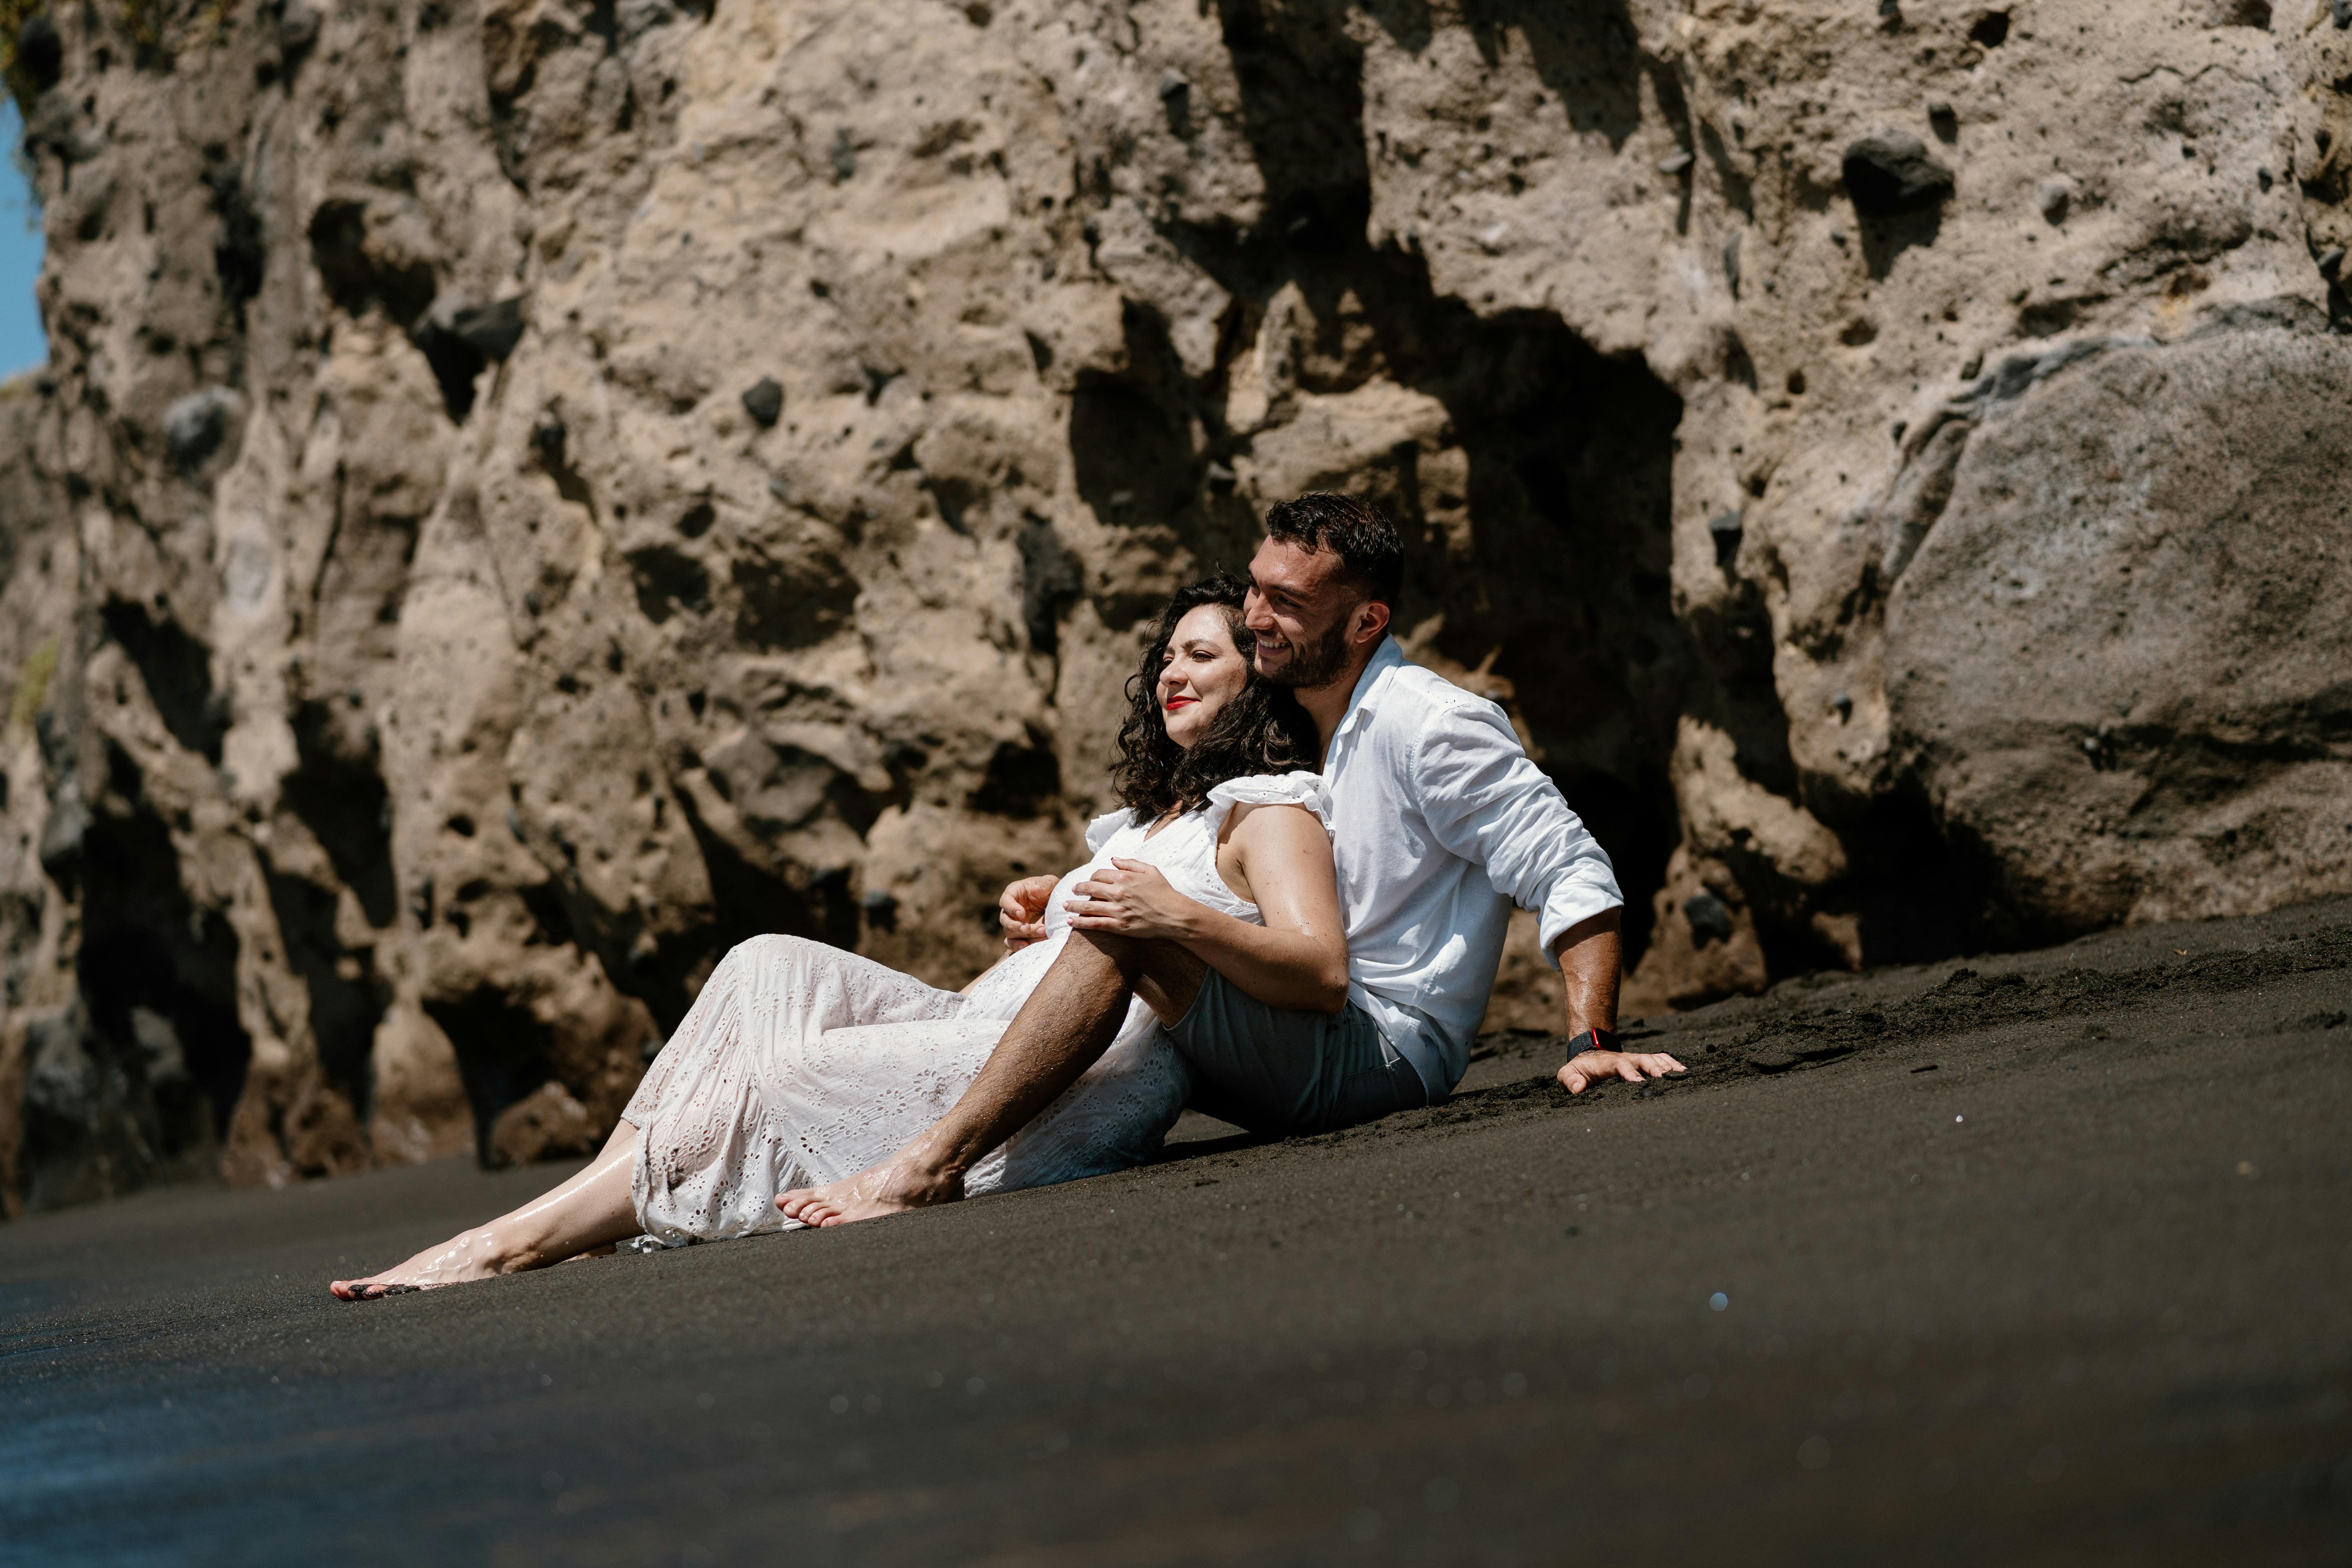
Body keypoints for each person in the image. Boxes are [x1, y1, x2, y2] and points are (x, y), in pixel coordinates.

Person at [330, 575, 1341, 1297]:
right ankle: (595, 1198)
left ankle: (513, 1242)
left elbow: (1316, 970)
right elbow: (1075, 967)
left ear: (1255, 681)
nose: (1171, 672)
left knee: (787, 1070)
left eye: (1200, 655)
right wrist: (1034, 934)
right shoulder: (1144, 821)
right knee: (764, 964)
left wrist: (1177, 918)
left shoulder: (1268, 810)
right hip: (992, 1028)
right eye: (1164, 655)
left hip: (1096, 1081)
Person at [777, 492, 1684, 1228]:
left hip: (1380, 1053)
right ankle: (836, 1138)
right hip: (1297, 1022)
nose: (1257, 617)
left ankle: (930, 1167)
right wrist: (1058, 901)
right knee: (1099, 919)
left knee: (1127, 929)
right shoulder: (1307, 725)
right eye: (1256, 589)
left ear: (1368, 620)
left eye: (1288, 604)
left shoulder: (1428, 722)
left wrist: (1592, 1042)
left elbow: (1568, 865)